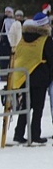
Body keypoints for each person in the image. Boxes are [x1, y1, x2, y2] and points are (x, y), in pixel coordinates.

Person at [11, 13, 53, 144]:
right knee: (38, 107)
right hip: (40, 77)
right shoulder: (45, 39)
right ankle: (35, 134)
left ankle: (18, 134)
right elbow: (51, 59)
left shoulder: (23, 39)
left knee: (25, 106)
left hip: (24, 77)